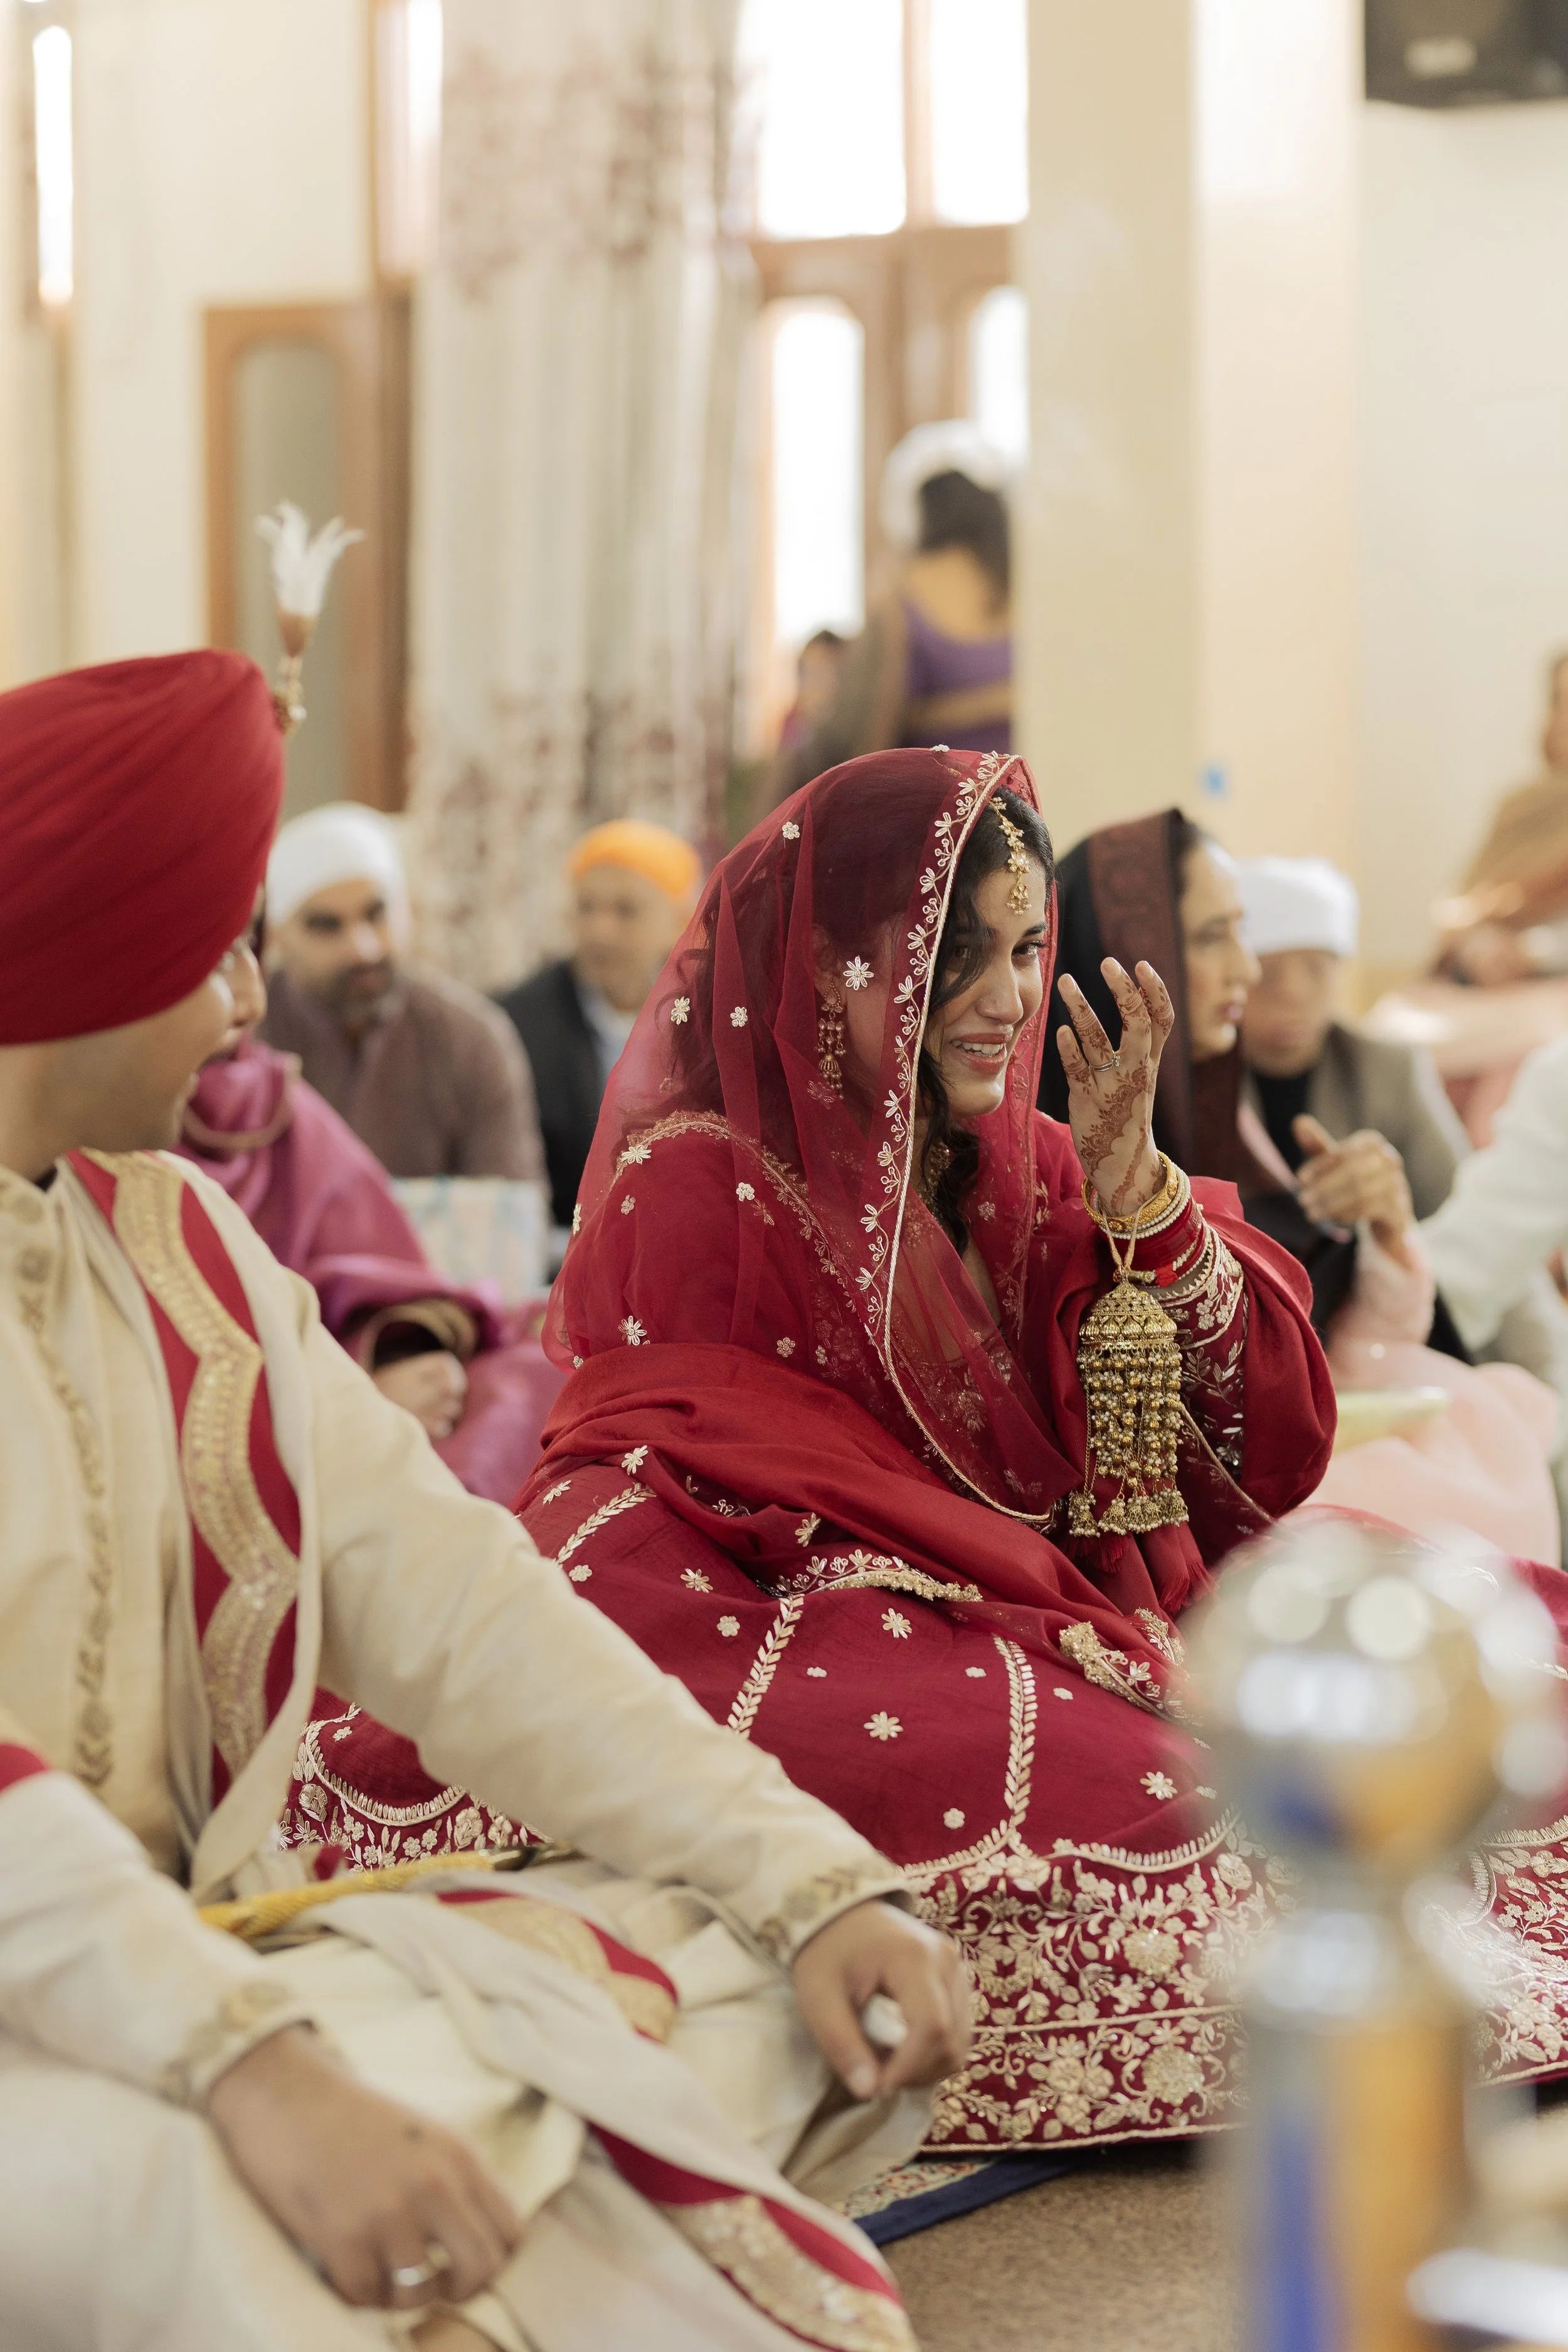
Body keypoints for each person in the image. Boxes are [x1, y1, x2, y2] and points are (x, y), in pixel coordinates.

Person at [0, 652, 969, 2352]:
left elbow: (463, 1605)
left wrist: (809, 1874)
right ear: (87, 952)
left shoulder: (177, 1241)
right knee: (187, 2186)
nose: (246, 1011)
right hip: (88, 2010)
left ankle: (396, 2231)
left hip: (201, 1958)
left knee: (728, 1955)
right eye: (213, 949)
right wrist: (251, 2062)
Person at [295, 744, 1359, 2157]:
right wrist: (929, 1561)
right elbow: (657, 1440)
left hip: (1016, 1594)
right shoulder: (700, 1171)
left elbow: (1265, 1448)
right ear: (838, 962)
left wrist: (1143, 1199)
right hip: (764, 1592)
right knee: (1153, 1803)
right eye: (954, 950)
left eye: (1025, 948)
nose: (999, 996)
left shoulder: (1027, 1162)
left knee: (1393, 1670)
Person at [1041, 812, 1561, 1564]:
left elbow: (1338, 1329)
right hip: (1199, 1510)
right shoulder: (1058, 1159)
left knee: (1492, 1452)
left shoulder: (1265, 1111)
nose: (1251, 976)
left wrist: (1383, 1235)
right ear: (1135, 954)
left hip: (1311, 1438)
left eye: (1244, 936)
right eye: (1216, 938)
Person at [178, 971, 562, 1505]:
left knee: (553, 1371)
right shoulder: (113, 1136)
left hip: (357, 1368)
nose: (248, 997)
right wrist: (356, 1403)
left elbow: (384, 1268)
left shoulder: (274, 1096)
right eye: (216, 962)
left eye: (249, 948)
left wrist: (406, 1358)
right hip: (279, 1422)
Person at [261, 802, 546, 1184]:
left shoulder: (469, 1039)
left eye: (376, 914)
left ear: (407, 909)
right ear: (277, 937)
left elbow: (511, 1218)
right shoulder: (241, 1033)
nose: (363, 949)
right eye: (326, 925)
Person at [767, 424, 1012, 805]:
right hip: (1018, 809)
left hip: (930, 815)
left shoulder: (907, 592)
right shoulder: (1022, 596)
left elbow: (857, 727)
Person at [495, 820, 699, 1248]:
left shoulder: (712, 1016)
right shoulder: (517, 1022)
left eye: (626, 911)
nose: (600, 930)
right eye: (586, 908)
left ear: (680, 922)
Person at [1238, 855, 1469, 1219]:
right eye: (1266, 975)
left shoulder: (1390, 1068)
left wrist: (1390, 1209)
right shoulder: (1184, 1079)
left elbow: (1458, 1208)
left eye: (1317, 969)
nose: (1294, 993)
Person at [1438, 650, 1568, 987]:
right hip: (1495, 983)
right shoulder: (1520, 806)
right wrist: (1476, 941)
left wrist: (1535, 953)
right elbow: (1456, 912)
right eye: (1558, 701)